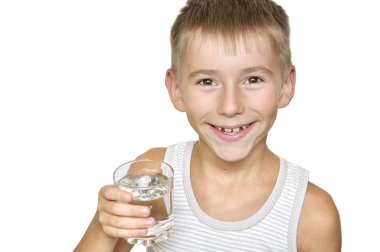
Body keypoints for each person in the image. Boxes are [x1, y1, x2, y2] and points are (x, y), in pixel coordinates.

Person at [75, 0, 342, 251]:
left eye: (252, 79)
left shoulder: (312, 214)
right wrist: (105, 230)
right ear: (177, 90)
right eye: (207, 82)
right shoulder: (154, 172)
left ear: (285, 86)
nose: (230, 106)